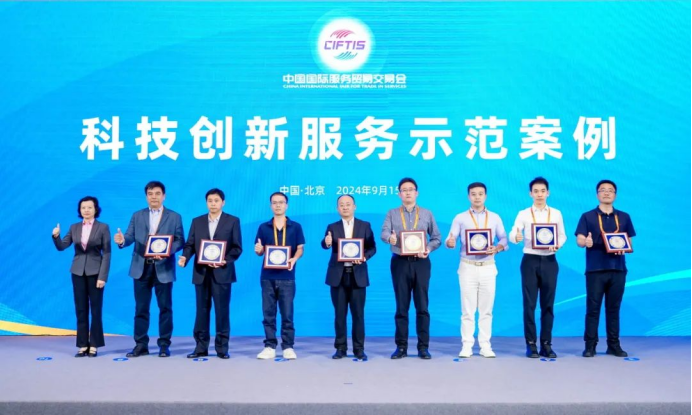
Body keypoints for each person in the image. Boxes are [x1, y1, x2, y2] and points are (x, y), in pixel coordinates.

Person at [114, 181, 184, 358]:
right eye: (150, 194)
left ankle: (164, 345)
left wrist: (166, 251)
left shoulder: (174, 217)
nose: (154, 197)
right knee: (141, 308)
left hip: (164, 267)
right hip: (141, 267)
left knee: (165, 308)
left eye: (157, 193)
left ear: (164, 196)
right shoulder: (137, 215)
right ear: (146, 196)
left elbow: (179, 240)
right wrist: (122, 241)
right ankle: (141, 345)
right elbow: (129, 237)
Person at [178, 188, 242, 359]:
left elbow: (237, 248)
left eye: (216, 200)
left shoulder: (232, 221)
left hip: (222, 273)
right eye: (210, 201)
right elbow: (190, 244)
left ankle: (222, 348)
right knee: (201, 311)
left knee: (222, 311)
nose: (213, 204)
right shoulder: (197, 221)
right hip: (201, 272)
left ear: (223, 202)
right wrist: (185, 257)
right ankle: (200, 347)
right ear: (206, 203)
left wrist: (224, 260)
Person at [381, 178, 441, 360]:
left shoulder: (427, 213)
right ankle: (401, 347)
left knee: (422, 306)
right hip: (400, 262)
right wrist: (390, 239)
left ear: (417, 193)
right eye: (404, 190)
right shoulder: (392, 213)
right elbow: (384, 232)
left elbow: (437, 238)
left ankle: (423, 347)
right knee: (401, 306)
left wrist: (428, 249)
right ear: (399, 194)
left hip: (421, 262)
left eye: (411, 189)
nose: (407, 192)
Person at [445, 182, 507, 358]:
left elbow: (504, 239)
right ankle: (467, 345)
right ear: (468, 196)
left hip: (488, 267)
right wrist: (450, 243)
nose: (477, 197)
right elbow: (450, 240)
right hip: (467, 267)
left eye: (480, 194)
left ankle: (485, 346)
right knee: (467, 310)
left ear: (485, 196)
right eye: (473, 194)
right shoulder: (460, 218)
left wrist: (497, 248)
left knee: (486, 310)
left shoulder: (495, 217)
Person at [575, 179, 635, 358]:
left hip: (618, 269)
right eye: (603, 190)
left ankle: (613, 345)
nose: (607, 192)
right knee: (593, 309)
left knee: (614, 309)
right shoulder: (587, 216)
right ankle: (590, 345)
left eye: (610, 190)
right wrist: (585, 242)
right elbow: (579, 239)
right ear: (597, 194)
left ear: (615, 195)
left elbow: (629, 242)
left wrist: (624, 247)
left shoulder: (624, 217)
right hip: (595, 270)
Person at [508, 177, 566, 358]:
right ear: (530, 194)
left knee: (548, 304)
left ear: (548, 193)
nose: (539, 194)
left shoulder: (556, 213)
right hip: (530, 260)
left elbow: (562, 235)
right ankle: (531, 344)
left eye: (542, 191)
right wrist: (515, 237)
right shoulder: (523, 214)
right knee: (529, 304)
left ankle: (546, 344)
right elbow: (514, 232)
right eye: (536, 191)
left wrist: (558, 245)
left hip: (550, 260)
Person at [52, 196, 111, 357]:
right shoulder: (74, 227)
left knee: (96, 309)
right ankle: (83, 344)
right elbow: (62, 246)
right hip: (77, 272)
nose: (86, 210)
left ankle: (94, 344)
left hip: (96, 273)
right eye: (83, 207)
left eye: (89, 207)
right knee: (81, 309)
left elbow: (107, 253)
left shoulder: (103, 227)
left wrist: (103, 276)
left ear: (95, 209)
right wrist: (56, 237)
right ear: (80, 210)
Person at [321, 194, 377, 360]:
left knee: (358, 314)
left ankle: (359, 349)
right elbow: (324, 244)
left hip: (357, 275)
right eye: (341, 205)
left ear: (354, 207)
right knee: (339, 314)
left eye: (348, 204)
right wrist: (327, 242)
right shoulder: (332, 226)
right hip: (338, 275)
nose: (345, 207)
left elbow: (372, 247)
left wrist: (364, 257)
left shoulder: (364, 225)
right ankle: (340, 348)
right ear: (337, 208)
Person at [254, 192, 305, 360]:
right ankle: (269, 346)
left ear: (286, 205)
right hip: (267, 276)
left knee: (287, 314)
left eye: (281, 202)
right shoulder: (263, 227)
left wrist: (294, 259)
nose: (278, 205)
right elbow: (259, 251)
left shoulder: (295, 227)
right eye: (274, 202)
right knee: (268, 313)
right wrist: (259, 250)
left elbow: (300, 249)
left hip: (287, 276)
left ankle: (288, 346)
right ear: (270, 206)